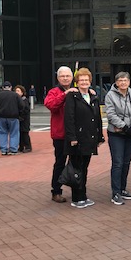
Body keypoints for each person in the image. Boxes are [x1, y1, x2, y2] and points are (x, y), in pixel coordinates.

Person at [64, 68, 104, 208]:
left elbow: (97, 118)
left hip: (89, 138)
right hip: (77, 139)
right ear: (77, 82)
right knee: (77, 169)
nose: (84, 82)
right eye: (81, 80)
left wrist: (99, 137)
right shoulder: (72, 96)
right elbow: (69, 118)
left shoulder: (93, 97)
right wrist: (72, 137)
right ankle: (77, 198)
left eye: (86, 80)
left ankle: (83, 195)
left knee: (84, 168)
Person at [44, 66, 79, 203]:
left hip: (75, 134)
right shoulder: (54, 92)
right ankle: (56, 191)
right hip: (60, 135)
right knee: (60, 163)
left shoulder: (77, 90)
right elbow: (50, 105)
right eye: (62, 76)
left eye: (67, 76)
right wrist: (65, 94)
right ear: (58, 78)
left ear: (72, 77)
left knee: (76, 162)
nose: (65, 78)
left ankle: (77, 189)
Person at [105, 72, 131, 206]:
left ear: (129, 82)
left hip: (130, 133)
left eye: (125, 80)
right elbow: (111, 114)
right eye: (120, 80)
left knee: (126, 162)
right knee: (118, 163)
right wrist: (124, 126)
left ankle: (123, 189)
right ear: (116, 83)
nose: (123, 83)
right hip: (116, 133)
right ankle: (116, 192)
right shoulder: (110, 95)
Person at [0, 81, 24, 155]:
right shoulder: (15, 95)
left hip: (1, 117)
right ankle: (13, 149)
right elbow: (21, 105)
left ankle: (3, 149)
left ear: (3, 87)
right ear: (10, 87)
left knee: (2, 133)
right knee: (14, 133)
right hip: (13, 117)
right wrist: (19, 114)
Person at [15, 85, 32, 153]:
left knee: (25, 133)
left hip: (24, 119)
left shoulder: (25, 100)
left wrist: (21, 116)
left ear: (22, 92)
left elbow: (26, 110)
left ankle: (28, 147)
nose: (16, 92)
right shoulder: (17, 100)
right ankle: (21, 147)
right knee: (20, 133)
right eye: (16, 91)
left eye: (18, 91)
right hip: (19, 119)